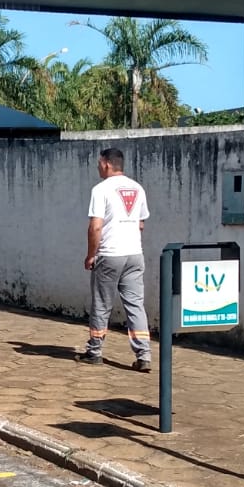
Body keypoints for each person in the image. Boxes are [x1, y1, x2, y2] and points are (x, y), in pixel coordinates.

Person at [80, 147, 152, 371]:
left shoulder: (101, 189)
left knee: (102, 304)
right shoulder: (137, 188)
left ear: (107, 164)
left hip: (110, 255)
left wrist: (91, 255)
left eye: (99, 164)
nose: (98, 167)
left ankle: (94, 351)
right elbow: (141, 224)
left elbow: (96, 227)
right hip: (135, 255)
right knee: (135, 305)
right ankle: (144, 355)